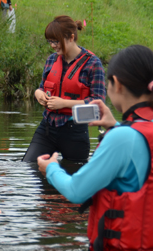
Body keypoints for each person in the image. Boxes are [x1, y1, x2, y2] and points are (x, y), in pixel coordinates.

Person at [37, 45, 153, 251]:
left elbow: (76, 191)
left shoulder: (123, 138)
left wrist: (51, 168)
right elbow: (142, 152)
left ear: (116, 84)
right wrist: (114, 125)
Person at [22, 15, 105, 163]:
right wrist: (38, 93)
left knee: (74, 178)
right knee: (29, 166)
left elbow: (99, 104)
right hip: (47, 128)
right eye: (50, 41)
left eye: (56, 41)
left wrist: (64, 103)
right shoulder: (52, 59)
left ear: (71, 37)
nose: (53, 45)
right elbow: (42, 87)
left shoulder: (93, 64)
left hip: (75, 131)